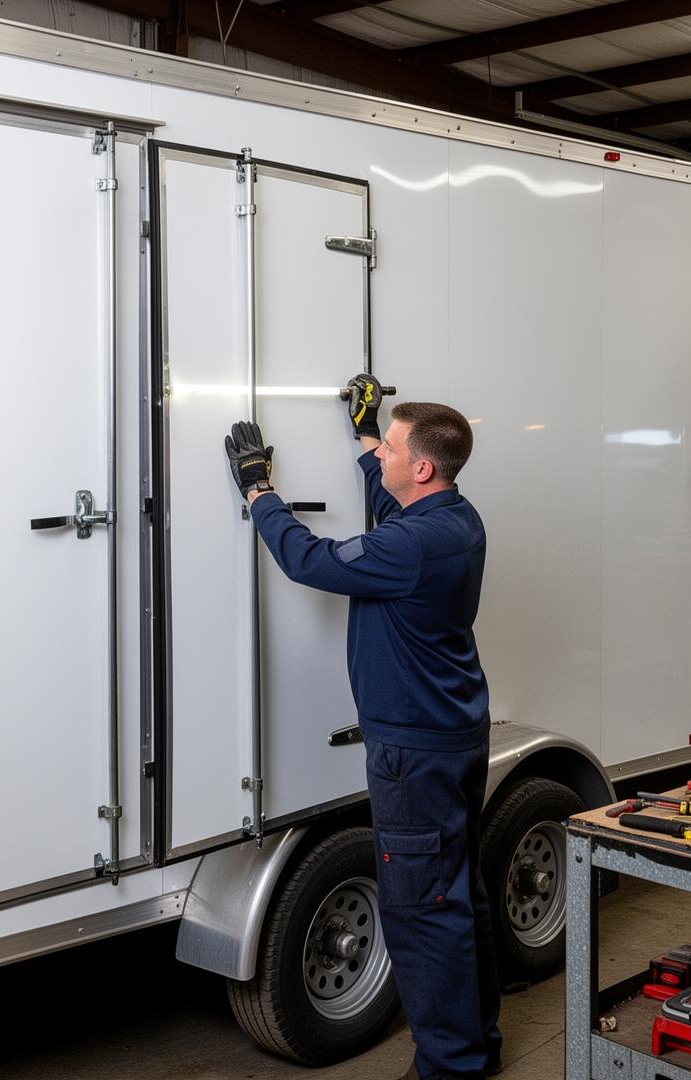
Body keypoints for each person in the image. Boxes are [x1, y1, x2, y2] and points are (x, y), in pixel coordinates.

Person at [222, 374, 500, 1080]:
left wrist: (259, 491)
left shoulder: (413, 547)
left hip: (415, 750)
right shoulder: (451, 520)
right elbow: (392, 508)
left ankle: (450, 1068)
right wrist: (369, 430)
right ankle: (475, 1048)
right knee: (457, 897)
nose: (383, 461)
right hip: (452, 733)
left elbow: (308, 559)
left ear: (424, 467)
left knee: (422, 910)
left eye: (392, 451)